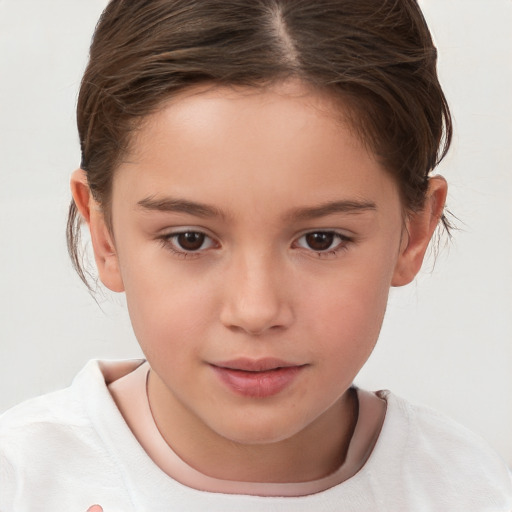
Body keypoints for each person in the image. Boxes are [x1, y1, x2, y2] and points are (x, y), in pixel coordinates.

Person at [1, 0, 511, 510]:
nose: (255, 310)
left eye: (321, 240)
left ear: (412, 232)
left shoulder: (467, 491)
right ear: (104, 233)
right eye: (190, 239)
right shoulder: (22, 481)